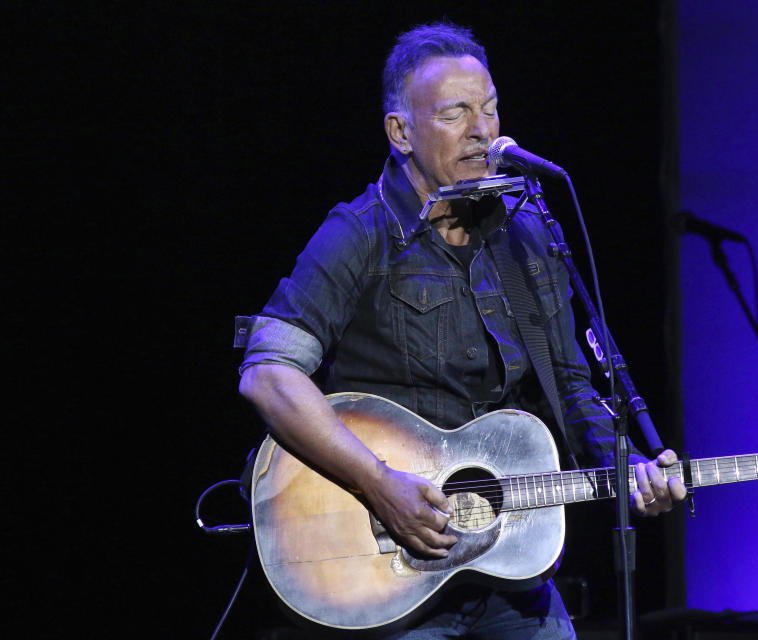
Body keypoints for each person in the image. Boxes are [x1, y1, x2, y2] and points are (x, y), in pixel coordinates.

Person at [238, 21, 686, 639]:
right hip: (385, 566)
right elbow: (268, 374)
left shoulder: (528, 236)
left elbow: (570, 387)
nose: (483, 131)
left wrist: (628, 462)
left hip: (507, 569)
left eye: (491, 111)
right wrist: (378, 481)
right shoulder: (360, 233)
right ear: (401, 132)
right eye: (456, 114)